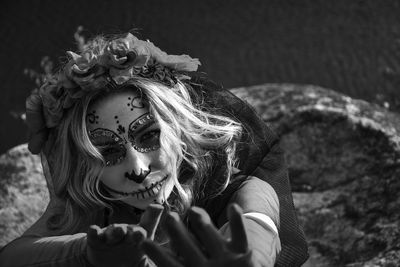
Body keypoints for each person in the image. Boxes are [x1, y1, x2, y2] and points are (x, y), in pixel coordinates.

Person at [0, 32, 308, 266]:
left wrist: (252, 252)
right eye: (107, 153)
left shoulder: (234, 185)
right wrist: (85, 251)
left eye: (148, 136)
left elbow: (258, 216)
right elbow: (13, 255)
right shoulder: (97, 203)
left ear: (178, 126)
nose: (138, 168)